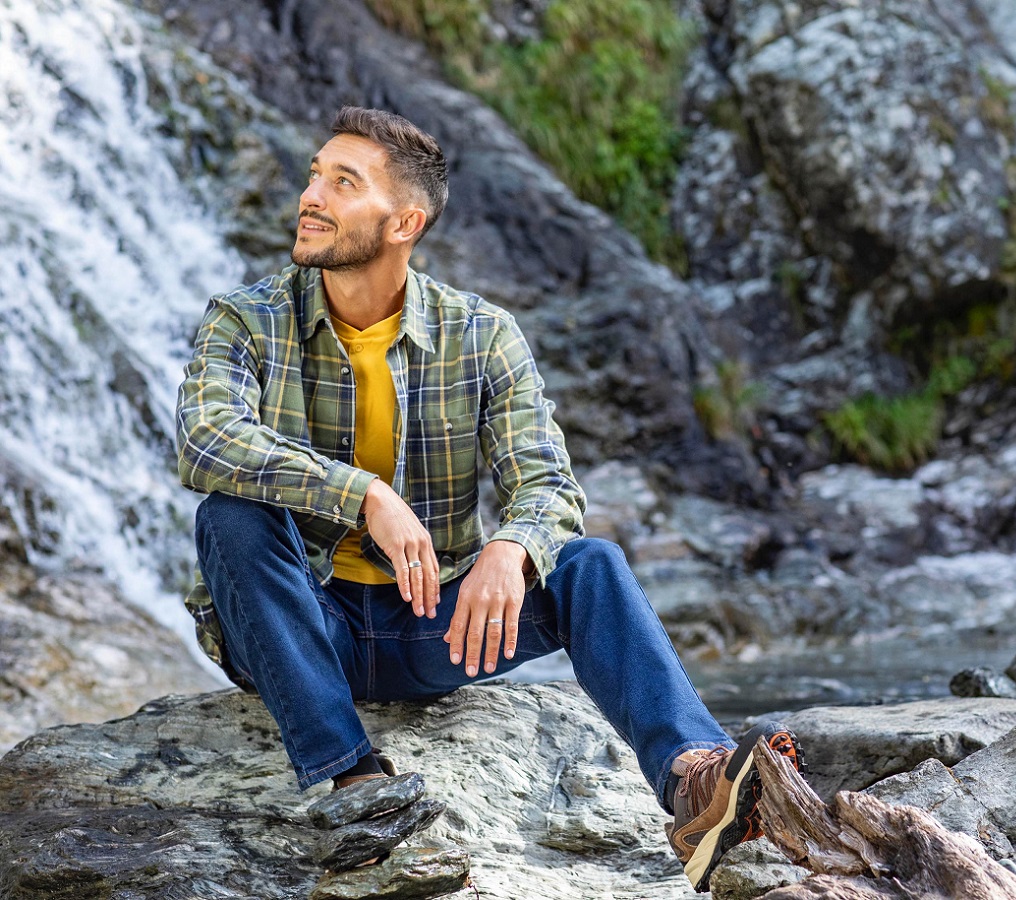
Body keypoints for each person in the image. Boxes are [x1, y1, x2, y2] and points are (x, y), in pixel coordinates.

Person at [175, 106, 804, 892]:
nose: (312, 195)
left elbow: (547, 483)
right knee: (229, 516)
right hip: (295, 625)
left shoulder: (482, 334)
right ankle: (357, 786)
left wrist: (511, 548)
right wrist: (363, 493)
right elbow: (204, 438)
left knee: (589, 565)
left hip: (431, 626)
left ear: (405, 220)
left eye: (343, 182)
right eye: (314, 174)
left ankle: (692, 783)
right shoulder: (248, 319)